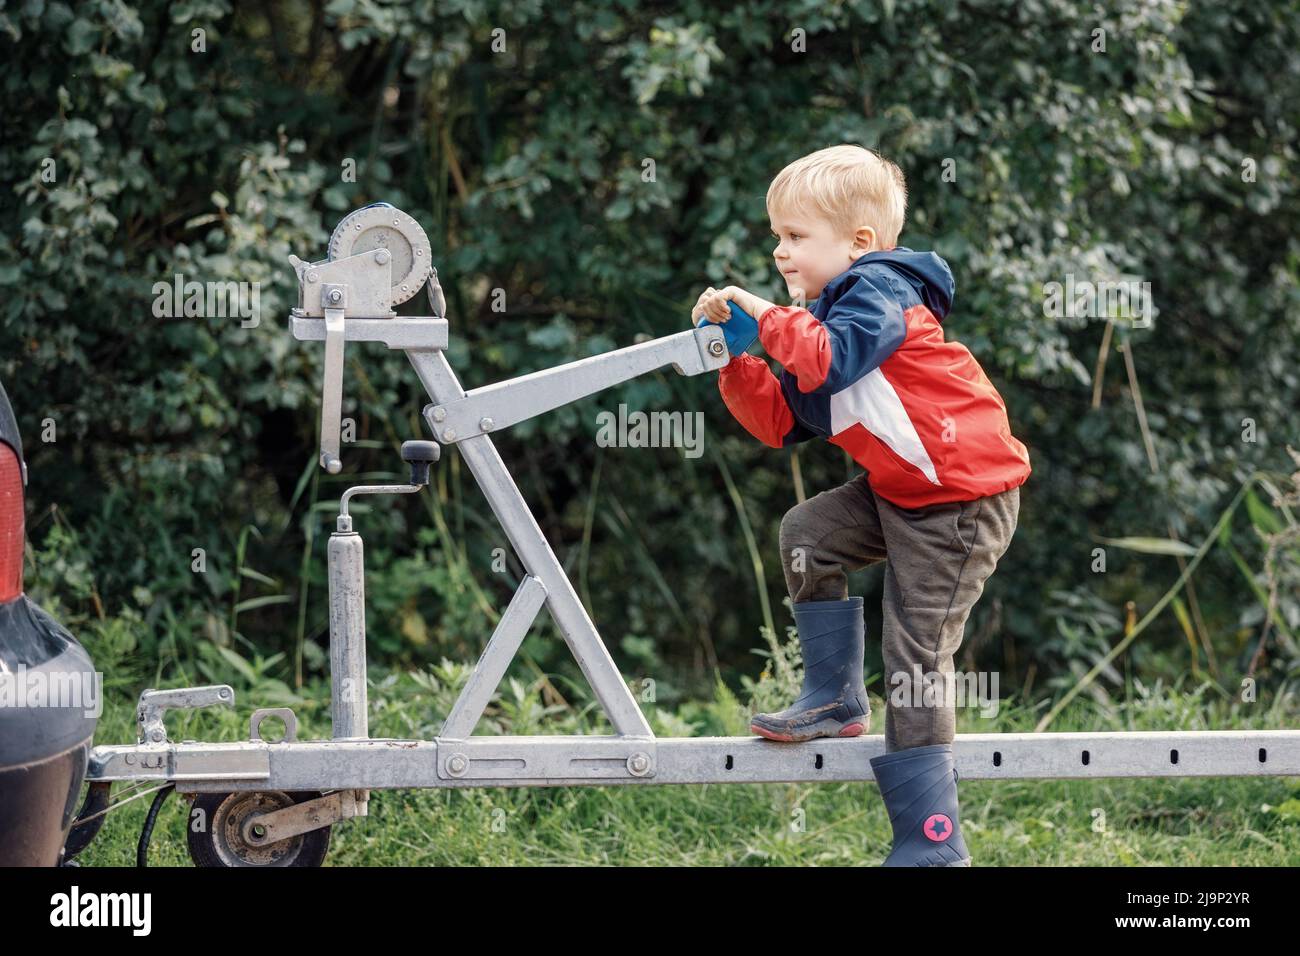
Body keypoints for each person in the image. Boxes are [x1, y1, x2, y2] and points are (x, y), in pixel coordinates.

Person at [690, 144, 1030, 866]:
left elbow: (829, 358)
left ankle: (931, 843)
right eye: (776, 235)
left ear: (860, 243)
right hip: (904, 492)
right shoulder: (823, 316)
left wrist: (769, 316)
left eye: (795, 236)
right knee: (809, 530)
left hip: (962, 501)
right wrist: (735, 356)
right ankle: (834, 697)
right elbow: (782, 421)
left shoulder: (879, 291)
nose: (779, 251)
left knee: (913, 656)